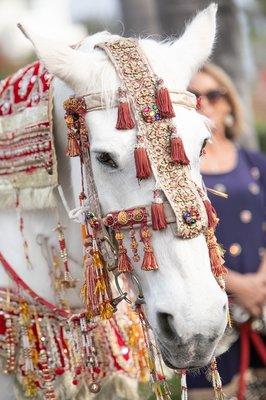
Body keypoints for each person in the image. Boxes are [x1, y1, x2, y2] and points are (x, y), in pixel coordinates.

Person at [187, 63, 266, 399]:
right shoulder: (180, 172)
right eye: (193, 96)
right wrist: (238, 286)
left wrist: (260, 283)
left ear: (228, 103)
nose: (203, 102)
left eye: (212, 94)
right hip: (213, 313)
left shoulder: (255, 161)